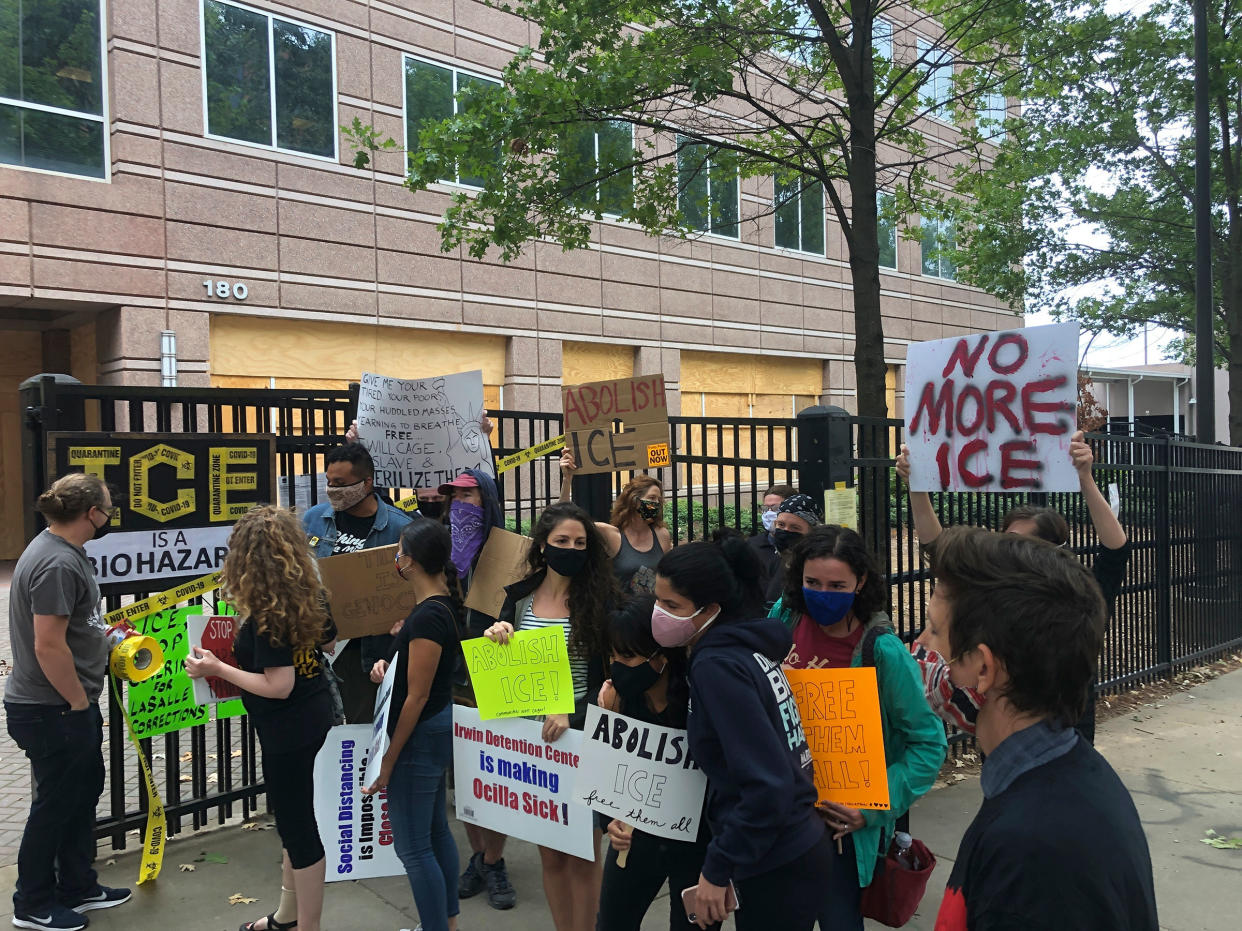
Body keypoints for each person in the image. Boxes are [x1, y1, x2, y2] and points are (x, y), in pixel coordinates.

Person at [923, 527, 1158, 930]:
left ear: (982, 668)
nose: (922, 644)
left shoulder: (1031, 852)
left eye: (935, 631)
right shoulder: (1067, 777)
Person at [897, 430, 1129, 742]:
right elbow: (938, 549)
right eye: (1007, 540)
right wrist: (918, 486)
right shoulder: (995, 593)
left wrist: (1085, 478)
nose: (1009, 551)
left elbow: (1115, 551)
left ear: (1049, 552)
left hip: (1063, 737)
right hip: (1001, 739)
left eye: (1019, 543)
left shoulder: (1074, 599)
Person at [653, 539, 831, 931]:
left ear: (711, 611)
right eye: (658, 601)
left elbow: (768, 784)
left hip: (777, 857)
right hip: (788, 846)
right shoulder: (741, 650)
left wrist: (717, 869)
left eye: (672, 606)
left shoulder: (717, 666)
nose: (659, 615)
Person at [776, 526, 947, 930]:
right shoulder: (783, 618)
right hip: (782, 816)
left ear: (861, 582)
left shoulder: (881, 650)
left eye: (837, 585)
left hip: (839, 831)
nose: (822, 593)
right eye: (812, 582)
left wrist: (872, 807)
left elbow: (928, 744)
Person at [186, 506, 337, 931]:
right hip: (314, 714)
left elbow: (278, 685)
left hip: (287, 727)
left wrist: (216, 669)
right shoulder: (310, 592)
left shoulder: (266, 615)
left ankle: (307, 926)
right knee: (295, 820)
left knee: (298, 828)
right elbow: (329, 642)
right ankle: (287, 917)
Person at [482, 502, 617, 931]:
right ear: (543, 545)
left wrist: (573, 714)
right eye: (562, 541)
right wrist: (498, 635)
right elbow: (506, 672)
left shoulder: (602, 600)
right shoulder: (518, 597)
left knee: (583, 853)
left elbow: (612, 678)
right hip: (533, 741)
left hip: (582, 736)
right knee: (550, 852)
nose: (571, 549)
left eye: (580, 542)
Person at [5, 473, 131, 931]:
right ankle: (33, 903)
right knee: (55, 804)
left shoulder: (61, 552)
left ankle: (78, 885)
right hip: (53, 708)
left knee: (81, 794)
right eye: (107, 504)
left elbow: (76, 630)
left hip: (62, 705)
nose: (110, 510)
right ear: (90, 513)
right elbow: (48, 646)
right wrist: (79, 706)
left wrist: (107, 638)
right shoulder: (57, 563)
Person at [595, 596, 718, 931]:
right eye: (612, 656)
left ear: (661, 658)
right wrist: (610, 820)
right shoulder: (616, 698)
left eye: (628, 656)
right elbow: (607, 771)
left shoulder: (700, 700)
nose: (617, 665)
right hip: (636, 838)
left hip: (698, 845)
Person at [363, 520, 461, 931]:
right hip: (432, 729)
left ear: (412, 562)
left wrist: (388, 760)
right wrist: (389, 667)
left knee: (413, 847)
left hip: (419, 736)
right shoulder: (435, 609)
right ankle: (446, 923)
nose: (395, 558)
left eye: (400, 551)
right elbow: (413, 678)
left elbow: (416, 697)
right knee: (436, 830)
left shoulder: (427, 618)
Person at [437, 468, 519, 911]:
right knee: (465, 777)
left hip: (497, 670)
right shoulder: (440, 551)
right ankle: (480, 857)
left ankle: (494, 860)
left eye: (468, 496)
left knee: (495, 772)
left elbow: (529, 605)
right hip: (452, 676)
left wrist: (508, 625)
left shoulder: (509, 549)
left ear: (486, 500)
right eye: (454, 497)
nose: (459, 505)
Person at [302, 442, 412, 723]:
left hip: (367, 655)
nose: (332, 489)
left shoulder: (399, 528)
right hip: (317, 648)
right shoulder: (313, 520)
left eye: (340, 483)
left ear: (366, 483)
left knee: (361, 732)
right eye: (328, 481)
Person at [558, 450, 672, 593]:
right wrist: (567, 479)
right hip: (619, 612)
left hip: (651, 613)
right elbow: (565, 520)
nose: (657, 504)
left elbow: (668, 577)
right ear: (634, 500)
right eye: (652, 498)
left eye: (659, 500)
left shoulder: (662, 535)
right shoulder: (609, 534)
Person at [762, 493, 822, 607]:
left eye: (795, 527)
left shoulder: (818, 569)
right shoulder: (778, 562)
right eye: (781, 524)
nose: (785, 531)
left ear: (812, 532)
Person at [745, 483, 796, 603]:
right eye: (765, 508)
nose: (768, 514)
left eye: (775, 508)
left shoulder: (804, 546)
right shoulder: (751, 546)